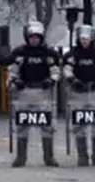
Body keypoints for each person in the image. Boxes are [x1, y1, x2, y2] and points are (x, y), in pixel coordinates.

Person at [7, 20, 61, 167]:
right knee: (22, 126)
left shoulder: (49, 53)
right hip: (24, 92)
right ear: (27, 37)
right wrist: (15, 81)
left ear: (41, 37)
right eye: (31, 37)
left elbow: (56, 71)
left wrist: (51, 80)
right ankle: (20, 158)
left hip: (43, 93)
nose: (34, 39)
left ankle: (49, 157)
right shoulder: (19, 53)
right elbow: (12, 71)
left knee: (47, 126)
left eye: (37, 37)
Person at [62, 24, 95, 166]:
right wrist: (73, 80)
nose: (84, 41)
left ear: (92, 38)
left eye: (87, 38)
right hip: (78, 93)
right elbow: (67, 69)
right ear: (77, 38)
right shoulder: (71, 55)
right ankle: (82, 156)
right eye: (82, 38)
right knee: (79, 125)